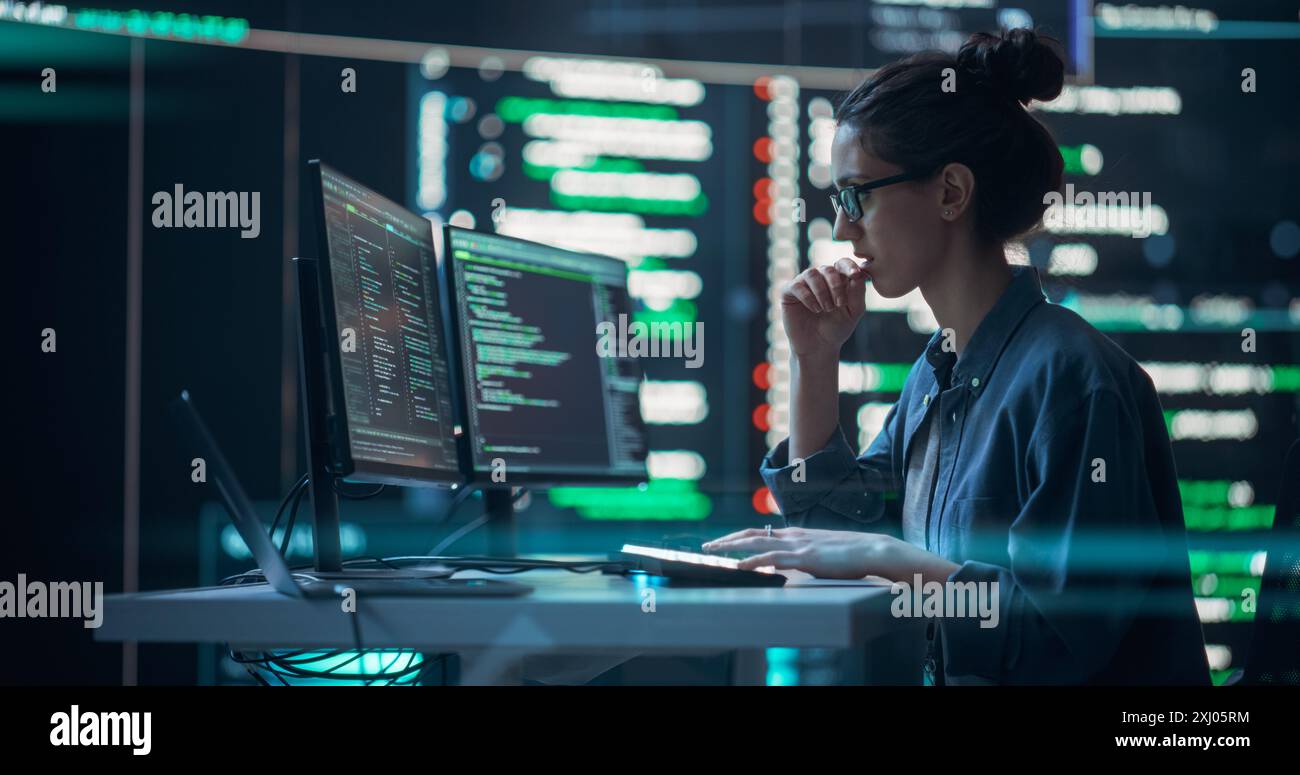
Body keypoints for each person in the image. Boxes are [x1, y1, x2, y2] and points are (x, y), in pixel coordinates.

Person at [704, 28, 1210, 685]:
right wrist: (814, 360)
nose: (842, 229)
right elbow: (830, 535)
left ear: (950, 192)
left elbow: (1052, 642)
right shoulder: (940, 372)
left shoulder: (1070, 377)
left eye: (858, 196)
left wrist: (885, 554)